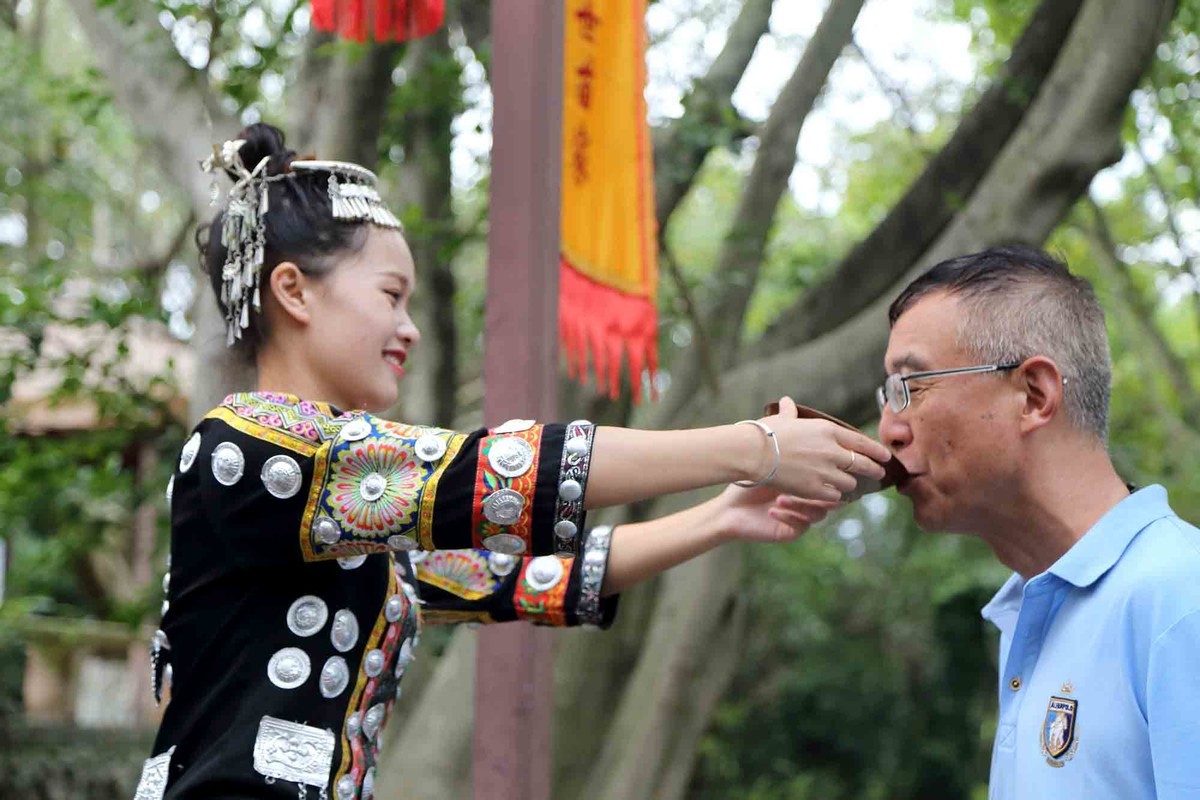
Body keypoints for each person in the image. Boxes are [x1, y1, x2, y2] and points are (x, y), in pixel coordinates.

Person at [132, 123, 892, 800]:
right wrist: (755, 449)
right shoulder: (248, 446)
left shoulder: (349, 515)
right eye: (392, 296)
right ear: (294, 292)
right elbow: (498, 472)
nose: (408, 330)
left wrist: (723, 516)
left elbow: (532, 579)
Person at [878, 245, 1200, 800]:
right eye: (888, 395)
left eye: (912, 386)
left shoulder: (1179, 602)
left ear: (1033, 395)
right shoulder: (1033, 611)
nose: (889, 430)